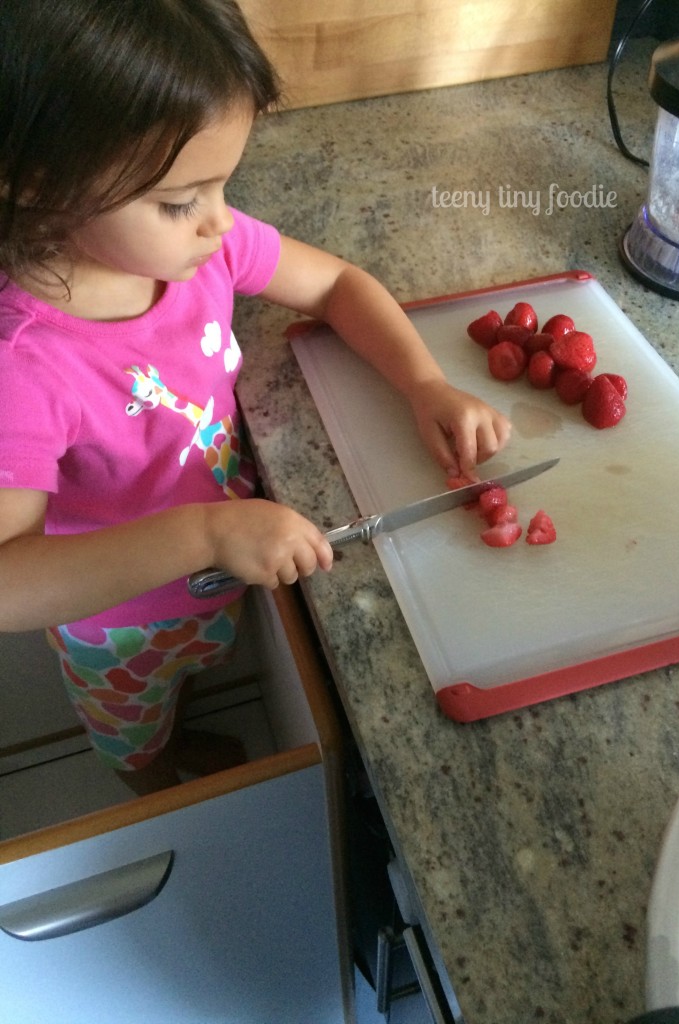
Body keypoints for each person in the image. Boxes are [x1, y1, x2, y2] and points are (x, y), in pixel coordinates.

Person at [0, 0, 511, 792]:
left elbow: (338, 283)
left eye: (222, 186)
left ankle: (181, 723)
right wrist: (204, 533)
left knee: (202, 669)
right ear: (36, 182)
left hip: (219, 563)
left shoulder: (200, 249)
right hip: (120, 626)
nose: (218, 223)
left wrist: (423, 383)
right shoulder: (23, 366)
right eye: (180, 200)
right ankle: (156, 771)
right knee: (138, 736)